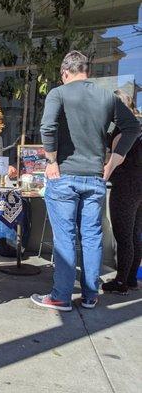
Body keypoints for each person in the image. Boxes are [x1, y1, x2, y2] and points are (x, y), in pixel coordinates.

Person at [31, 51, 140, 311]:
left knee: (65, 237)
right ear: (86, 71)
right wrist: (113, 162)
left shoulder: (58, 93)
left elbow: (48, 128)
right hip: (94, 177)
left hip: (64, 176)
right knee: (92, 237)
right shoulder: (106, 96)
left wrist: (52, 161)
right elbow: (133, 128)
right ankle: (91, 296)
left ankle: (61, 296)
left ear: (64, 72)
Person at [101, 90, 141, 294]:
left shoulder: (122, 129)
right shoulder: (137, 125)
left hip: (125, 186)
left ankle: (121, 282)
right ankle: (132, 278)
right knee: (134, 234)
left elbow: (115, 160)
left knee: (123, 236)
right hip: (139, 185)